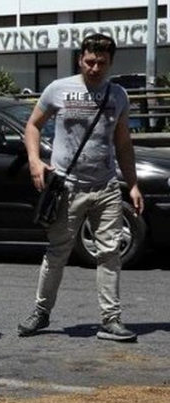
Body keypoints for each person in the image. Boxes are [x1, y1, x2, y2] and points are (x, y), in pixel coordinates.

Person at [17, 33, 143, 342]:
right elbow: (32, 125)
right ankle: (41, 313)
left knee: (110, 253)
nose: (95, 68)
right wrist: (35, 161)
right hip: (67, 186)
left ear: (110, 62)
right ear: (80, 60)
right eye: (89, 61)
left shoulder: (118, 95)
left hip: (106, 186)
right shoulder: (58, 89)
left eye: (101, 62)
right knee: (58, 251)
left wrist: (134, 184)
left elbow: (123, 143)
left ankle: (111, 320)